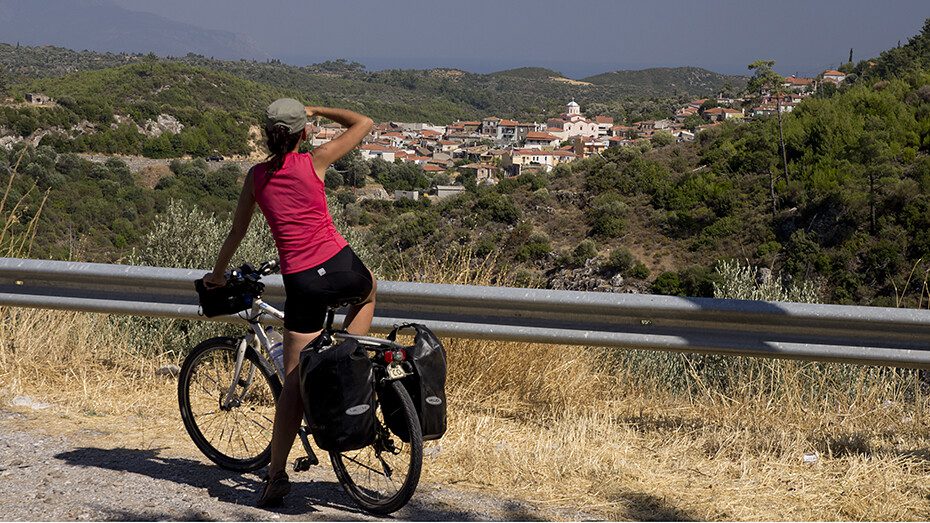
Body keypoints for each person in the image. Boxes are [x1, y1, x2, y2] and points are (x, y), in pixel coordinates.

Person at [203, 98, 376, 507]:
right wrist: (317, 109)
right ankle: (348, 360)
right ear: (303, 133)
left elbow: (237, 232)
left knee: (294, 384)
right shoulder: (315, 161)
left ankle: (276, 477)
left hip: (302, 282)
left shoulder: (257, 178)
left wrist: (217, 273)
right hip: (341, 266)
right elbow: (364, 122)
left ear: (267, 134)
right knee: (369, 292)